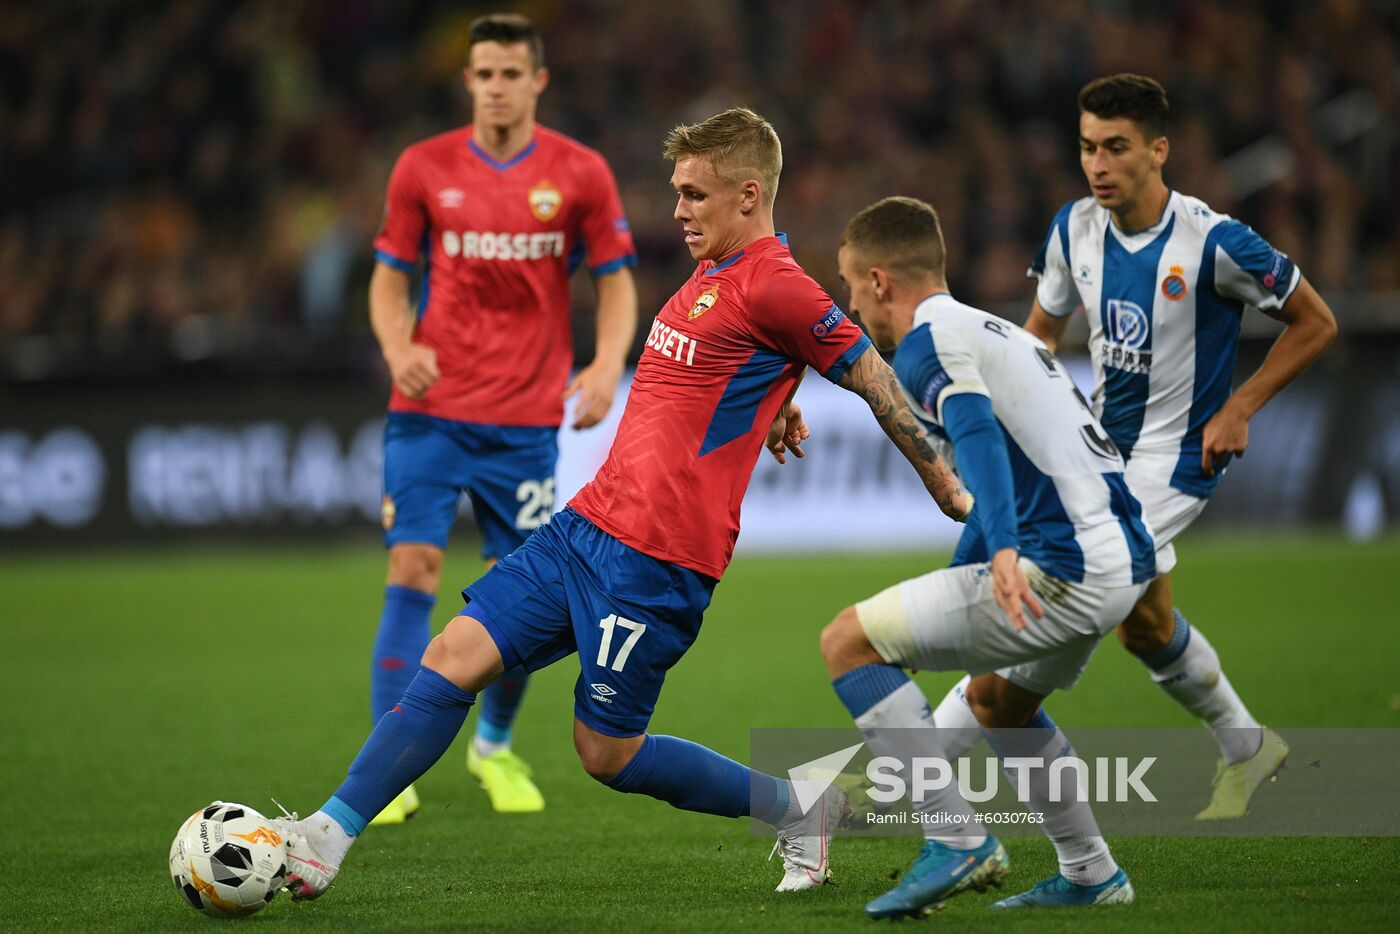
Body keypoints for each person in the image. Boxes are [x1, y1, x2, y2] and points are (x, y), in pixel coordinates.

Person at [271, 107, 973, 901]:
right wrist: (773, 402)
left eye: (694, 194)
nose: (677, 209)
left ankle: (798, 808)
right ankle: (323, 838)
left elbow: (871, 375)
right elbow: (728, 366)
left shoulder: (776, 281)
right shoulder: (713, 272)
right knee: (449, 659)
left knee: (605, 754)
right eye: (677, 192)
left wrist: (944, 482)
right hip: (584, 528)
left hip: (655, 563)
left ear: (749, 195)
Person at [928, 74, 1337, 820]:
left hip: (1176, 465)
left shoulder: (1214, 242)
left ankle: (906, 774)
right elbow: (1040, 338)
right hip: (1100, 452)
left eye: (1116, 148)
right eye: (1087, 148)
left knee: (1048, 596)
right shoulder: (1072, 229)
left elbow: (1316, 322)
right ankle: (1249, 746)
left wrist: (1241, 406)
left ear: (1158, 151)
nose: (1098, 165)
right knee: (1146, 626)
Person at [822, 195, 1161, 916]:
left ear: (880, 280)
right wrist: (958, 586)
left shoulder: (922, 343)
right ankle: (1092, 874)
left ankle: (957, 839)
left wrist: (1004, 549)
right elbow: (1000, 469)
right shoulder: (994, 330)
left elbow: (974, 438)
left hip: (1062, 565)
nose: (853, 309)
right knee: (997, 702)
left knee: (847, 643)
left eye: (852, 288)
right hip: (1124, 560)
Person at [365, 13, 639, 822]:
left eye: (509, 74)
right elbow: (386, 277)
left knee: (518, 594)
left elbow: (616, 280)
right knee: (412, 567)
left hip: (524, 420)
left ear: (537, 81)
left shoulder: (580, 174)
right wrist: (395, 345)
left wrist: (605, 364)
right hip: (427, 410)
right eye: (483, 74)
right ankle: (393, 764)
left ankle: (493, 746)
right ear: (469, 81)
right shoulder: (424, 168)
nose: (495, 87)